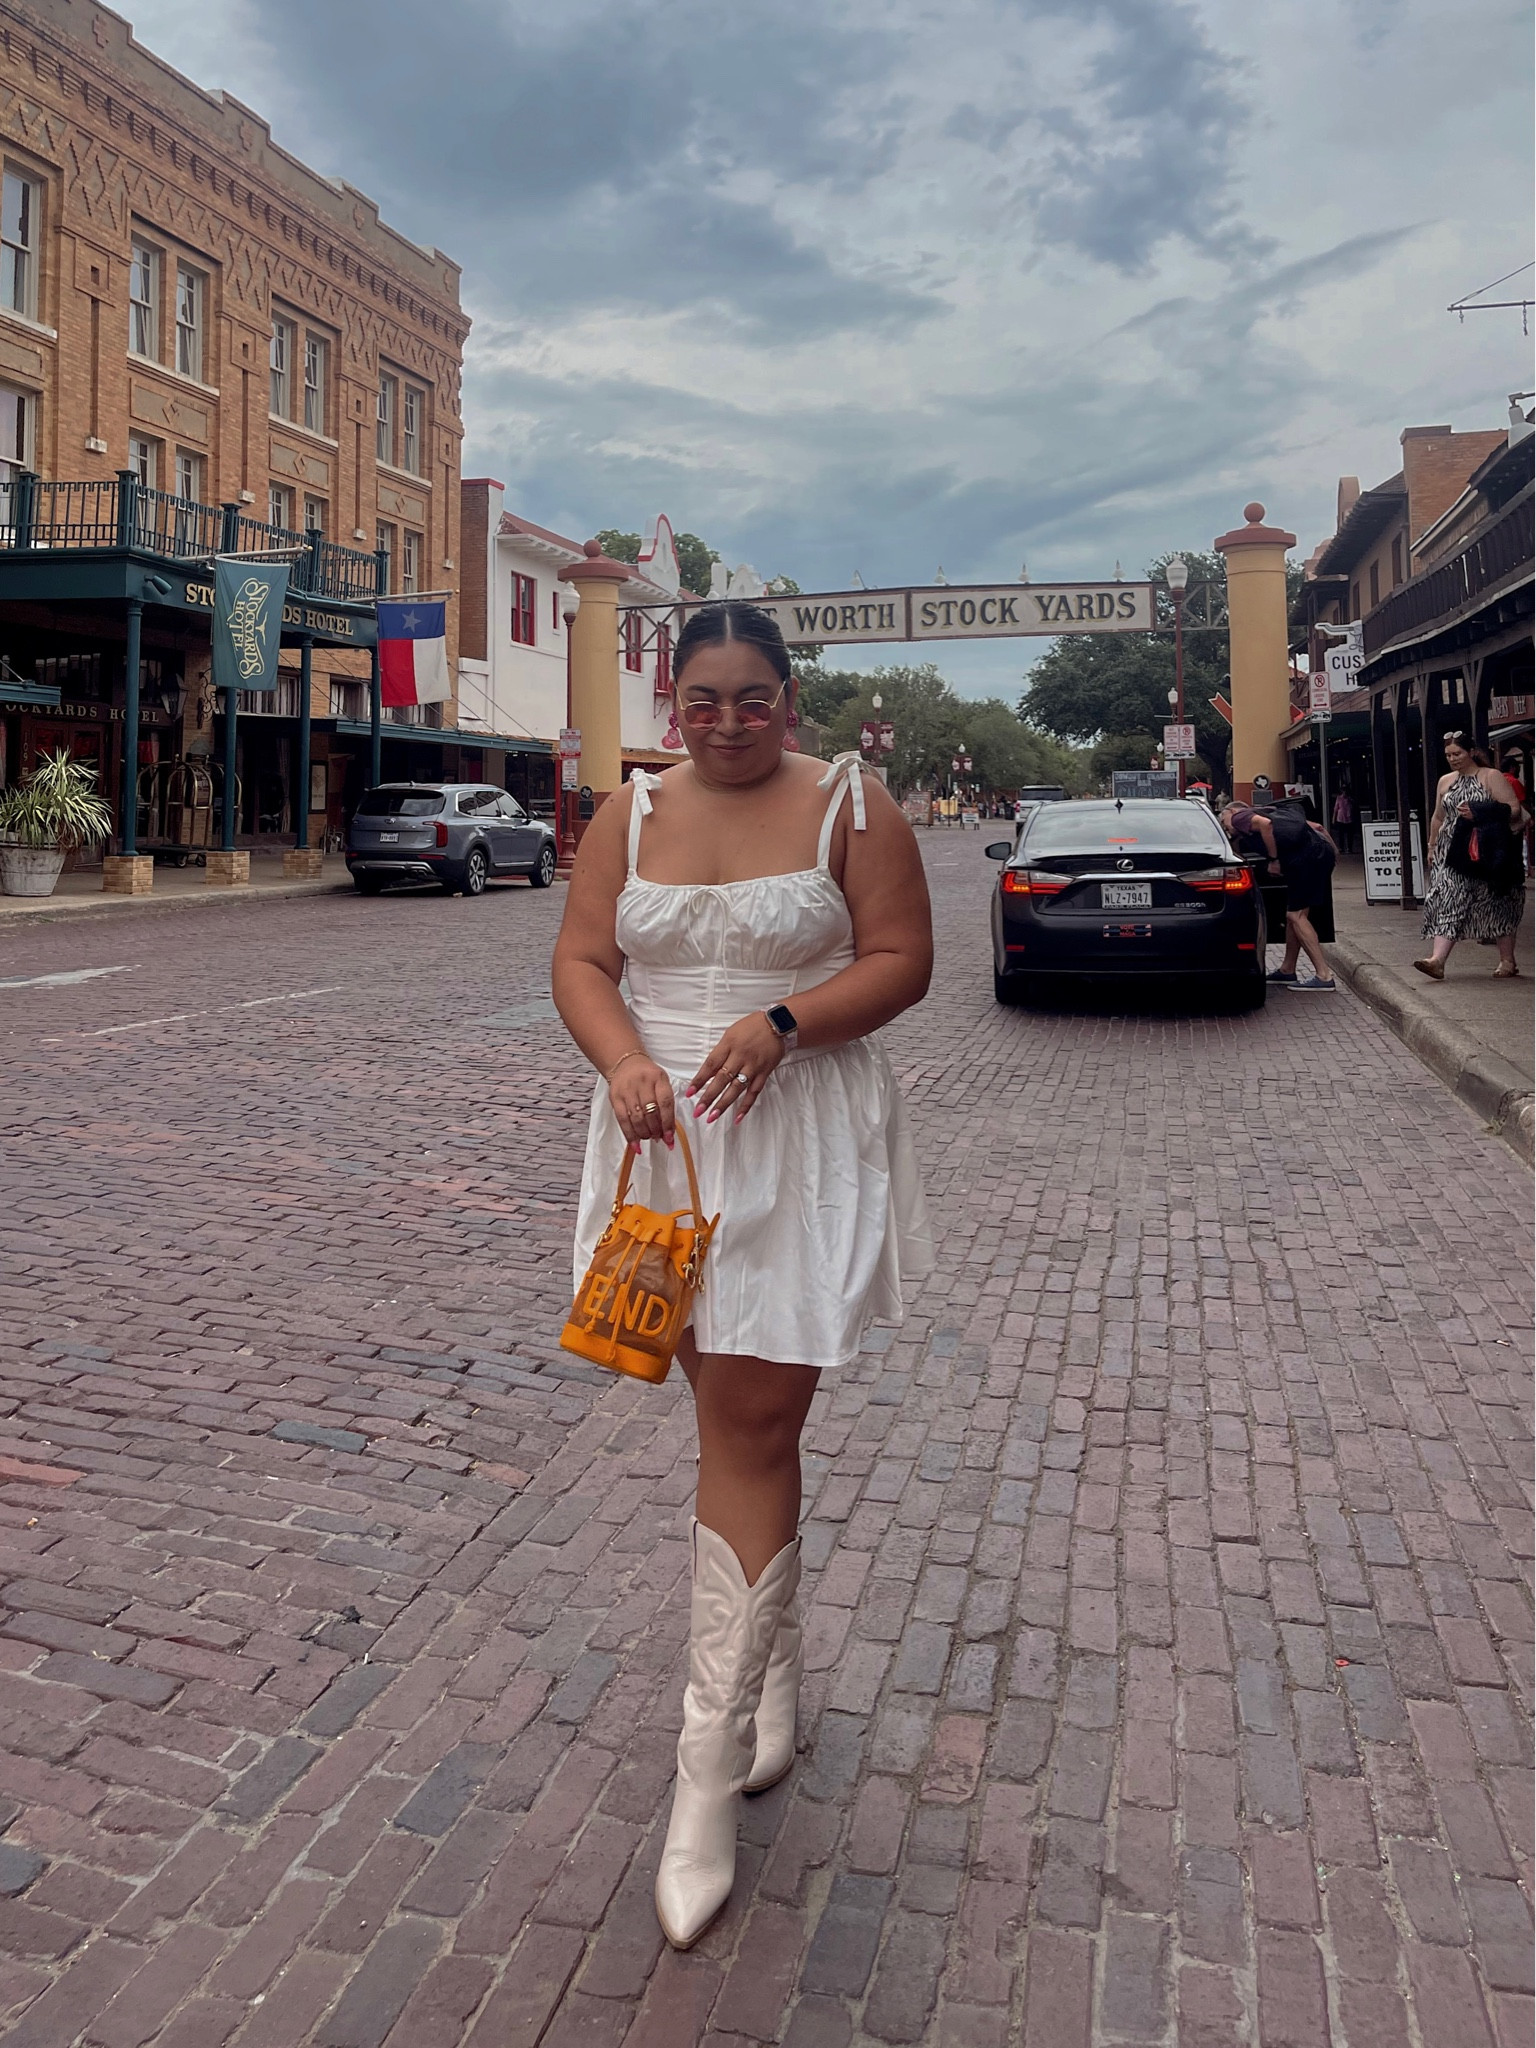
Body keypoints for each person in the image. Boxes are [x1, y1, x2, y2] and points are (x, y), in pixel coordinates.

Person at [552, 601, 933, 1950]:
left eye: (751, 697)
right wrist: (622, 1060)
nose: (725, 720)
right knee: (730, 1430)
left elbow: (901, 962)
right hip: (664, 1148)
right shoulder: (629, 815)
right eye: (701, 698)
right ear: (672, 700)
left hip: (798, 1137)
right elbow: (586, 961)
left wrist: (782, 1021)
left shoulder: (853, 804)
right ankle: (773, 1676)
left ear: (787, 697)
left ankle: (701, 1781)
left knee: (754, 1426)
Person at [1414, 731, 1526, 980]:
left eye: (1457, 753)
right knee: (1448, 898)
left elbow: (1514, 810)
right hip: (1452, 851)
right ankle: (1437, 960)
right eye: (1448, 755)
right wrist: (1432, 846)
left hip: (1487, 850)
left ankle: (1507, 960)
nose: (1453, 759)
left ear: (1471, 752)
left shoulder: (1491, 776)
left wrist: (1479, 811)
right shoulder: (1445, 781)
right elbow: (1438, 816)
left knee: (1497, 901)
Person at [1221, 798, 1338, 989]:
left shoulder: (1239, 816)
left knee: (1296, 916)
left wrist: (1273, 860)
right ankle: (1287, 969)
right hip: (1318, 854)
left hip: (1304, 861)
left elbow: (1264, 825)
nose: (1223, 823)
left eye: (1222, 818)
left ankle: (1324, 976)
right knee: (1295, 916)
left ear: (1232, 811)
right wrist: (1334, 851)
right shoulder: (1274, 811)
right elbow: (1318, 827)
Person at [1331, 787, 1355, 855]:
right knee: (1340, 834)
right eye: (1343, 791)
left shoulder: (1350, 799)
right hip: (1341, 818)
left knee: (1349, 835)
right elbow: (1335, 809)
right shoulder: (1339, 798)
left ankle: (1349, 848)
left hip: (1349, 818)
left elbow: (1353, 806)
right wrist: (1333, 819)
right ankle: (1341, 848)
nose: (1344, 793)